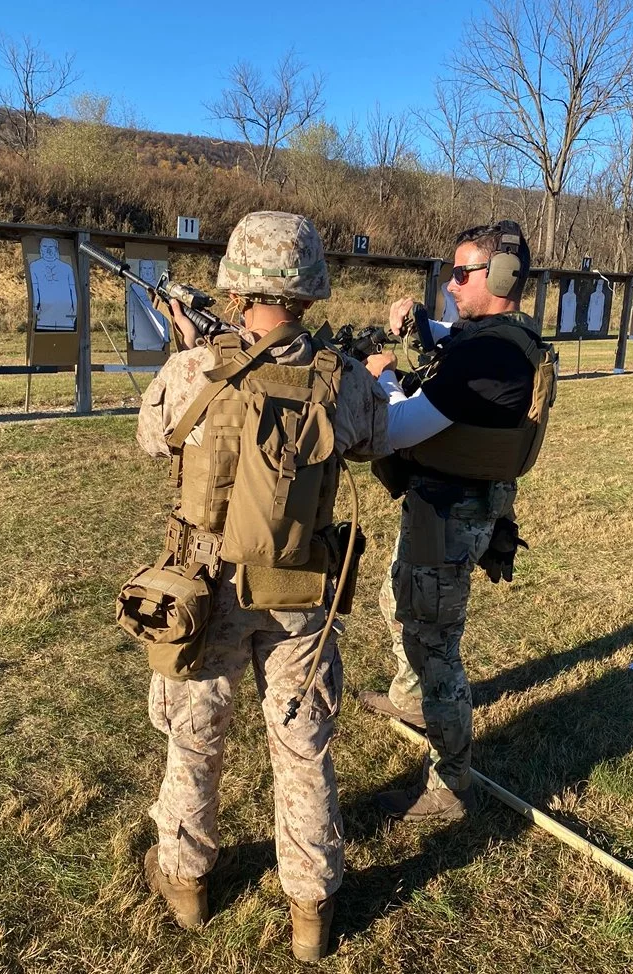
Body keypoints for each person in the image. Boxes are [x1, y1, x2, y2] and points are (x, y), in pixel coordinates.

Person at [134, 211, 389, 961]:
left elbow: (153, 438)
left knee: (195, 735)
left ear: (238, 283)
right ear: (309, 289)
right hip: (300, 585)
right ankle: (310, 908)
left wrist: (193, 355)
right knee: (303, 743)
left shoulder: (192, 369)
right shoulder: (338, 378)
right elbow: (370, 441)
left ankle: (185, 881)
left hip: (204, 588)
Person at [359, 221, 555, 823]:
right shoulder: (506, 338)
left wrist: (381, 377)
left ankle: (450, 786)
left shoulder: (484, 357)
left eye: (461, 275)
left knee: (435, 645)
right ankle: (410, 699)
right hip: (450, 505)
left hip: (450, 514)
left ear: (496, 279)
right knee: (403, 601)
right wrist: (425, 324)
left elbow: (396, 428)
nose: (450, 285)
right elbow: (457, 337)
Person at [29, 237, 77, 331]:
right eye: (45, 246)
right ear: (41, 249)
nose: (48, 250)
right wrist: (35, 307)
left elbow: (73, 291)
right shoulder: (34, 266)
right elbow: (35, 289)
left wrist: (75, 310)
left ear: (56, 249)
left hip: (65, 314)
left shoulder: (67, 268)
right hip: (44, 314)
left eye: (51, 247)